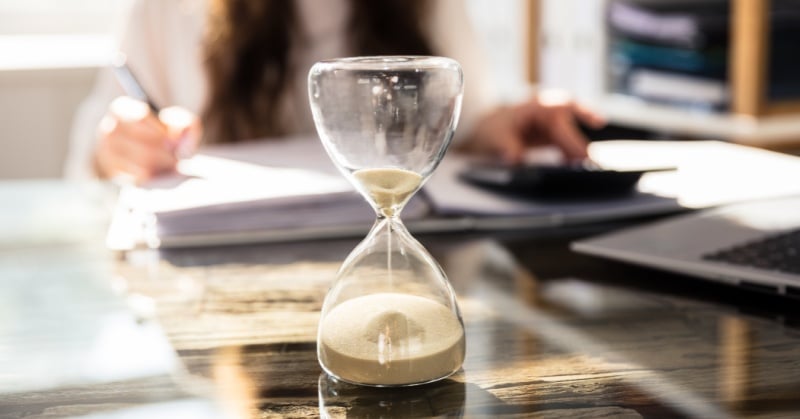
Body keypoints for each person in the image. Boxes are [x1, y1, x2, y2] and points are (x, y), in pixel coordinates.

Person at [66, 0, 604, 182]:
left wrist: (502, 124)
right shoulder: (171, 12)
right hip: (227, 287)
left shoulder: (427, 7)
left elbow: (462, 120)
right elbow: (92, 147)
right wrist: (117, 145)